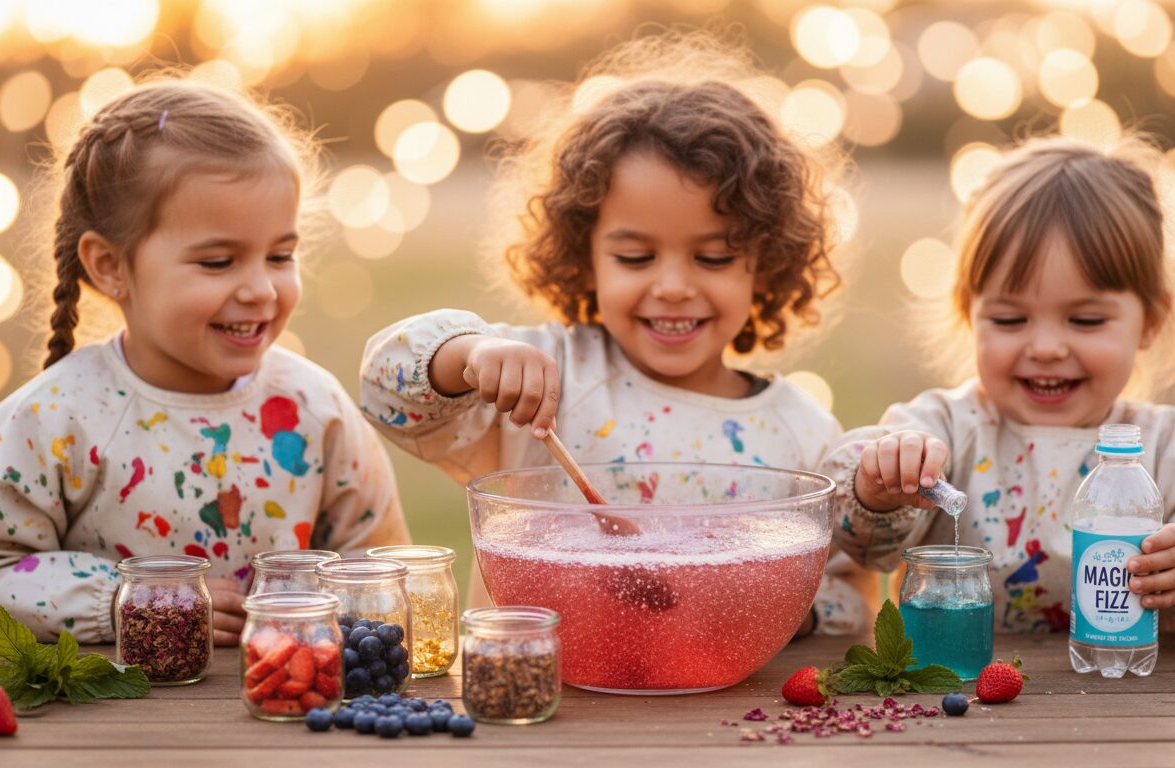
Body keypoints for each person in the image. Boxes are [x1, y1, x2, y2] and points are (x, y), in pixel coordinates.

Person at [361, 32, 869, 634]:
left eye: (713, 258)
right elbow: (385, 392)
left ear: (768, 263)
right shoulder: (543, 376)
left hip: (724, 694)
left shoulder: (801, 432)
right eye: (635, 258)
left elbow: (849, 599)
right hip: (539, 684)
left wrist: (762, 602)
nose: (673, 286)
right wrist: (470, 354)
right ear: (584, 257)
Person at [0, 79, 410, 644]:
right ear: (110, 266)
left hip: (283, 693)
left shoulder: (316, 408)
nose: (261, 289)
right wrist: (138, 602)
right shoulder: (54, 420)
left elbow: (379, 570)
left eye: (280, 255)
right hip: (120, 702)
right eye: (218, 262)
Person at [830, 135, 1175, 632]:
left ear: (1150, 322)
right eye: (1009, 319)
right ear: (969, 314)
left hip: (1122, 677)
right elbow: (856, 539)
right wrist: (876, 489)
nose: (1045, 348)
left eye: (1086, 320)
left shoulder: (1164, 447)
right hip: (959, 676)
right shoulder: (944, 429)